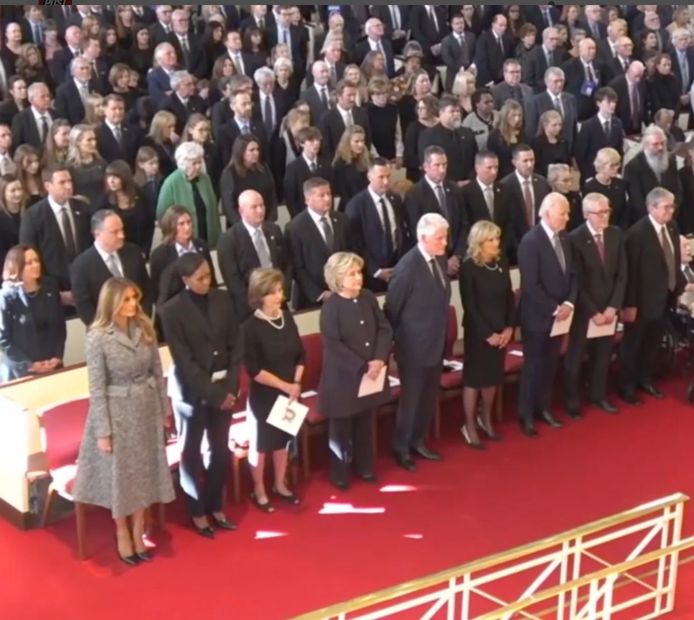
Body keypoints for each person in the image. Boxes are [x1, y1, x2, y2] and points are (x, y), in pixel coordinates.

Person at [73, 277, 174, 565]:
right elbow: (96, 387)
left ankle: (140, 528)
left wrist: (163, 410)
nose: (132, 305)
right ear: (112, 302)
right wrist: (103, 431)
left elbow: (157, 371)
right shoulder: (97, 337)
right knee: (121, 478)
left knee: (144, 473)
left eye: (135, 298)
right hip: (117, 415)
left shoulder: (144, 327)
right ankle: (122, 532)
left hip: (145, 410)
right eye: (126, 299)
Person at [159, 253, 241, 537]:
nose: (207, 282)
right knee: (191, 451)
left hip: (223, 388)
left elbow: (235, 344)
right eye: (200, 278)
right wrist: (214, 394)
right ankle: (196, 510)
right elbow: (184, 360)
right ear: (185, 280)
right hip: (191, 394)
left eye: (209, 276)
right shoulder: (171, 310)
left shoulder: (223, 299)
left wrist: (230, 387)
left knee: (219, 449)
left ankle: (216, 504)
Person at [319, 252, 392, 488]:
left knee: (365, 422)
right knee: (341, 428)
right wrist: (362, 366)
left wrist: (379, 359)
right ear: (338, 277)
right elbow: (333, 344)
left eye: (358, 273)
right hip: (343, 377)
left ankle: (365, 466)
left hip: (372, 373)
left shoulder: (368, 298)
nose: (357, 278)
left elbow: (384, 329)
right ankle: (340, 473)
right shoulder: (331, 307)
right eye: (351, 274)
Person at [384, 213, 451, 471]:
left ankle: (419, 440)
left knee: (427, 397)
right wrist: (393, 347)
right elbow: (393, 309)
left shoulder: (439, 260)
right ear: (423, 238)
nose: (445, 243)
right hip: (412, 347)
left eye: (445, 237)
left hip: (435, 342)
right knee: (411, 399)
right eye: (439, 238)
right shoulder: (407, 267)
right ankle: (401, 447)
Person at [242, 268, 304, 511]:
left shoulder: (286, 317)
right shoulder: (250, 327)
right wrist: (285, 386)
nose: (279, 296)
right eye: (272, 292)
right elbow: (254, 370)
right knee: (261, 445)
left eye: (280, 291)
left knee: (282, 441)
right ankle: (259, 489)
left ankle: (279, 483)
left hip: (289, 393)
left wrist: (296, 384)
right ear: (259, 296)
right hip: (265, 395)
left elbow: (301, 353)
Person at [517, 192, 576, 437]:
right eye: (563, 213)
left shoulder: (564, 238)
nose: (568, 217)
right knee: (533, 366)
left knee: (551, 363)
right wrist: (555, 307)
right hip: (538, 316)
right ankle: (526, 414)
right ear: (548, 212)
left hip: (561, 315)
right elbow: (530, 285)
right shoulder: (531, 241)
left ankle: (544, 407)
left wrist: (569, 304)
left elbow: (573, 274)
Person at [619, 187, 686, 404]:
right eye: (666, 207)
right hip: (641, 300)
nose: (671, 210)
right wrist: (629, 304)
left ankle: (645, 379)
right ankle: (627, 386)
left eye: (672, 205)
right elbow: (630, 273)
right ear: (652, 208)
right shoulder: (636, 234)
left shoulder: (673, 227)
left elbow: (673, 261)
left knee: (653, 342)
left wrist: (678, 287)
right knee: (634, 344)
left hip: (665, 297)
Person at [564, 193, 627, 417]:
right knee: (576, 357)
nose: (604, 216)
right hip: (585, 311)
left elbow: (622, 275)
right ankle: (571, 400)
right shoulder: (574, 239)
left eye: (607, 211)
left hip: (609, 310)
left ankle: (598, 395)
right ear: (585, 214)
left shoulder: (616, 234)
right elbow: (576, 282)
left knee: (603, 355)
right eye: (599, 213)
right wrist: (593, 312)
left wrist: (613, 307)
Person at [458, 222, 514, 448]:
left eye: (497, 238)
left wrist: (509, 327)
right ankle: (469, 424)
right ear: (479, 242)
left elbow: (509, 297)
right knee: (474, 379)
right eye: (491, 239)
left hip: (501, 330)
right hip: (478, 333)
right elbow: (469, 305)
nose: (496, 243)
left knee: (492, 377)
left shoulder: (501, 262)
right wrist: (487, 334)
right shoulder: (469, 266)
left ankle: (485, 418)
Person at [18, 165, 92, 306]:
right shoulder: (33, 216)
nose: (69, 186)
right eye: (62, 182)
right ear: (48, 186)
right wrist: (54, 292)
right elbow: (29, 256)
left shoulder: (83, 208)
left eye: (69, 181)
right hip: (53, 294)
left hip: (86, 289)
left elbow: (91, 247)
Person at [70, 209, 152, 326]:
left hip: (139, 326)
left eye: (122, 229)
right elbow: (85, 308)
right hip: (105, 333)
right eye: (115, 232)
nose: (121, 235)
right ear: (98, 234)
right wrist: (107, 330)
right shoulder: (81, 266)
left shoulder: (133, 252)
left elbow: (146, 290)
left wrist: (141, 318)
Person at [217, 189, 290, 321]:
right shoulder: (228, 240)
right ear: (241, 211)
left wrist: (280, 293)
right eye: (254, 207)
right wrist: (258, 305)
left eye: (262, 205)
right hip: (250, 311)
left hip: (279, 302)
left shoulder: (274, 230)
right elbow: (233, 281)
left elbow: (286, 264)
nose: (260, 210)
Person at [0, 244, 66, 382]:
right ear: (16, 267)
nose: (35, 265)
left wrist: (57, 357)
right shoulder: (7, 297)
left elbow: (60, 326)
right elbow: (4, 340)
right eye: (29, 263)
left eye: (36, 260)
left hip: (52, 365)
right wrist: (29, 365)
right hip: (22, 372)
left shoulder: (50, 287)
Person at [286, 177, 350, 310]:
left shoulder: (342, 219)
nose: (327, 199)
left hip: (343, 292)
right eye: (321, 195)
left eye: (329, 194)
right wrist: (319, 294)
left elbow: (350, 254)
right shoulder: (295, 227)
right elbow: (297, 267)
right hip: (311, 299)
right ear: (307, 200)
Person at [345, 158, 408, 293]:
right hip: (371, 276)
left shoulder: (395, 199)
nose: (386, 182)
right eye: (381, 177)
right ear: (369, 176)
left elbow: (400, 232)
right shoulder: (356, 205)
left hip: (397, 269)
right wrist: (375, 270)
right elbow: (355, 244)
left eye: (388, 176)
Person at [149, 205, 216, 310]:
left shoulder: (201, 246)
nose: (187, 227)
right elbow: (157, 291)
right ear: (171, 226)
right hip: (177, 309)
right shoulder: (159, 255)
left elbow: (212, 280)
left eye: (189, 222)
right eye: (181, 224)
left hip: (205, 303)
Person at [156, 141, 220, 247]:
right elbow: (162, 215)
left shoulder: (205, 179)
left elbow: (213, 209)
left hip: (207, 237)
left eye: (200, 162)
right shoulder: (171, 182)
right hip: (182, 241)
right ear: (183, 163)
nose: (198, 166)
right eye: (194, 163)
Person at [219, 135, 278, 225]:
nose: (256, 153)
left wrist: (270, 220)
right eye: (251, 150)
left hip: (264, 222)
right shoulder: (230, 173)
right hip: (240, 226)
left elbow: (272, 195)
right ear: (241, 152)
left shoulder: (263, 168)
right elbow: (228, 206)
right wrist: (243, 226)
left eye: (257, 149)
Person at [582, 147, 630, 229]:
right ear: (601, 166)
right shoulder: (589, 188)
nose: (616, 168)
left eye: (617, 164)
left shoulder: (621, 184)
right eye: (612, 165)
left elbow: (626, 211)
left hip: (621, 230)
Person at [332, 125, 370, 210]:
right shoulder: (340, 164)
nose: (360, 144)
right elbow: (341, 193)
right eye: (356, 141)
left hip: (365, 204)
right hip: (349, 207)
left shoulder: (365, 160)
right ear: (347, 142)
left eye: (362, 141)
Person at [530, 110, 571, 178]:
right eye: (554, 125)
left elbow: (567, 163)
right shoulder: (537, 142)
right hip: (543, 179)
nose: (558, 128)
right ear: (545, 125)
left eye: (560, 125)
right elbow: (535, 166)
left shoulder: (563, 142)